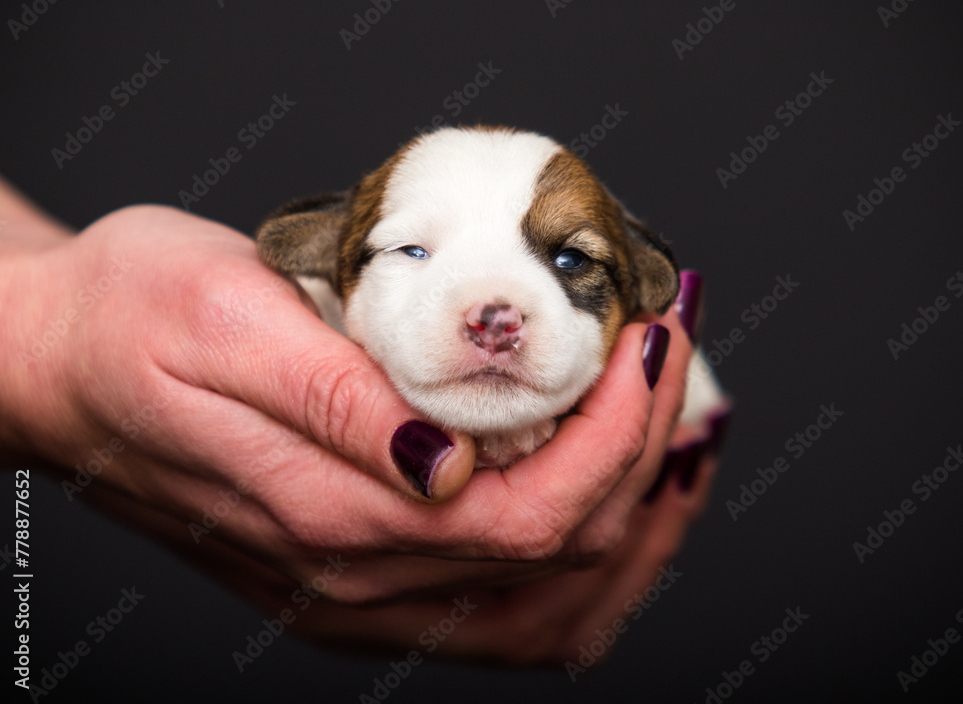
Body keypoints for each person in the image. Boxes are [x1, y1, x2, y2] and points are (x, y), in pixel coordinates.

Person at [0, 175, 727, 663]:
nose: (494, 317)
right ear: (326, 260)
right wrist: (43, 343)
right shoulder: (312, 298)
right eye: (413, 250)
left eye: (569, 260)